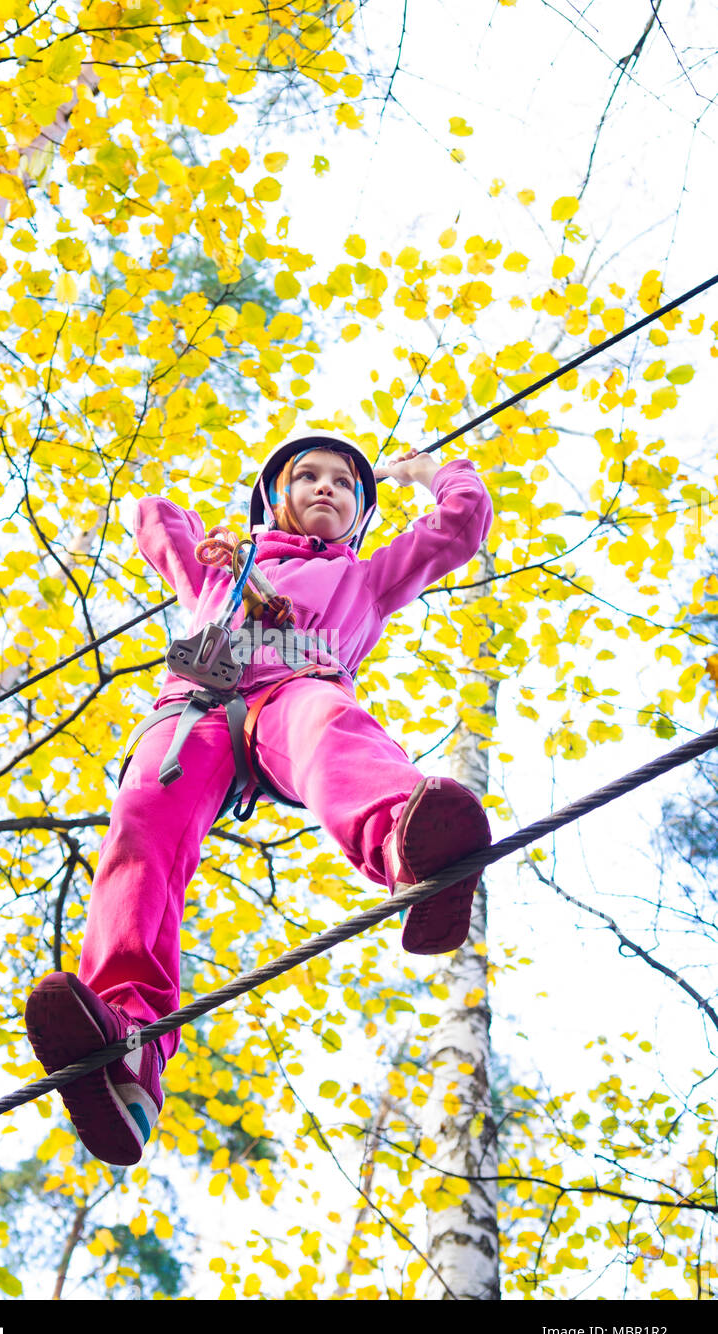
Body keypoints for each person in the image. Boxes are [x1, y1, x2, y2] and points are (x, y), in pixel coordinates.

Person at [25, 432, 495, 1165]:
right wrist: (214, 539)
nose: (327, 489)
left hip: (296, 685)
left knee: (328, 730)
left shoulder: (365, 579)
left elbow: (458, 528)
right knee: (140, 830)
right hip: (193, 710)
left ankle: (407, 837)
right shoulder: (222, 574)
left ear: (361, 516)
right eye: (306, 476)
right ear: (275, 498)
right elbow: (154, 518)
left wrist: (435, 473)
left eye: (345, 484)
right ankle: (128, 1047)